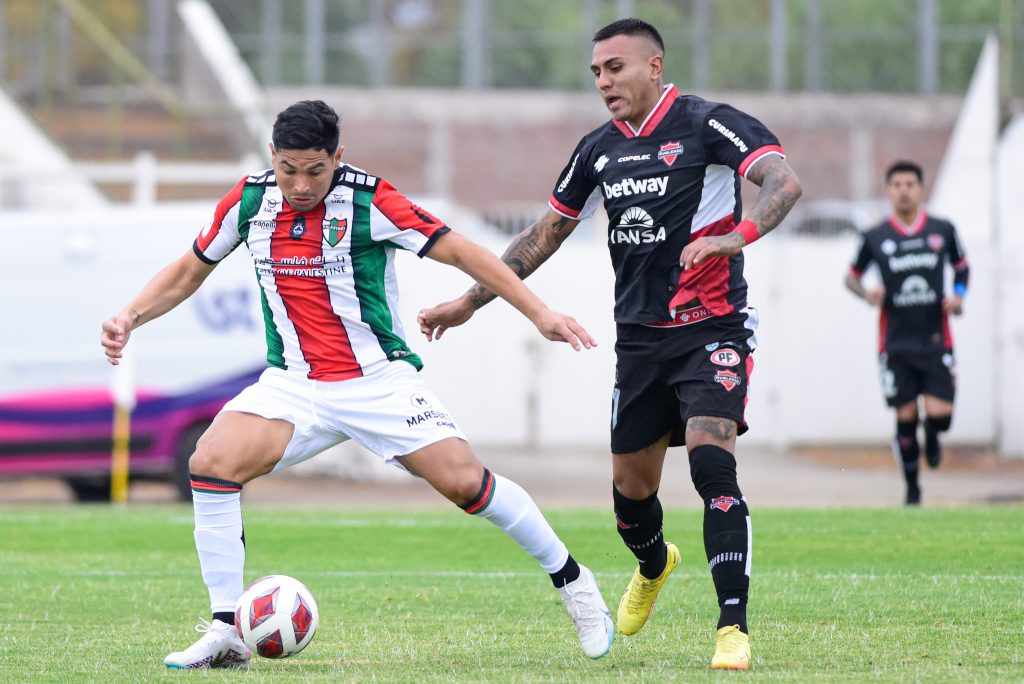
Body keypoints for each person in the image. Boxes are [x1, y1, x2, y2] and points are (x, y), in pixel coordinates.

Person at [100, 100, 615, 669]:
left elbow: (466, 253)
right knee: (211, 462)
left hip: (377, 383)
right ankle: (227, 630)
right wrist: (131, 315)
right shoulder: (249, 200)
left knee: (467, 484)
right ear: (272, 156)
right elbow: (188, 269)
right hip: (293, 385)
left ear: (338, 158)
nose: (299, 184)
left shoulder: (370, 202)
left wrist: (539, 313)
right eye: (288, 168)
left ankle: (574, 584)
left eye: (314, 171)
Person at [417, 18, 801, 671]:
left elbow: (782, 183)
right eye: (596, 71)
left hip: (713, 326)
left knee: (713, 465)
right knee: (629, 495)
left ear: (654, 66)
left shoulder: (708, 122)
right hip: (640, 345)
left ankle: (731, 628)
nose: (604, 81)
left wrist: (737, 236)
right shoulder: (597, 149)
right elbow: (542, 237)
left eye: (615, 68)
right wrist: (470, 302)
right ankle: (654, 563)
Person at [845, 160, 969, 506]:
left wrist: (959, 298)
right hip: (895, 343)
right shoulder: (875, 236)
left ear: (920, 188)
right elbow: (851, 277)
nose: (903, 190)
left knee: (940, 415)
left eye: (909, 184)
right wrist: (867, 292)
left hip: (936, 339)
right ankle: (913, 491)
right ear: (888, 191)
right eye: (896, 184)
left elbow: (962, 268)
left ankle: (933, 434)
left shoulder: (943, 230)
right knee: (905, 415)